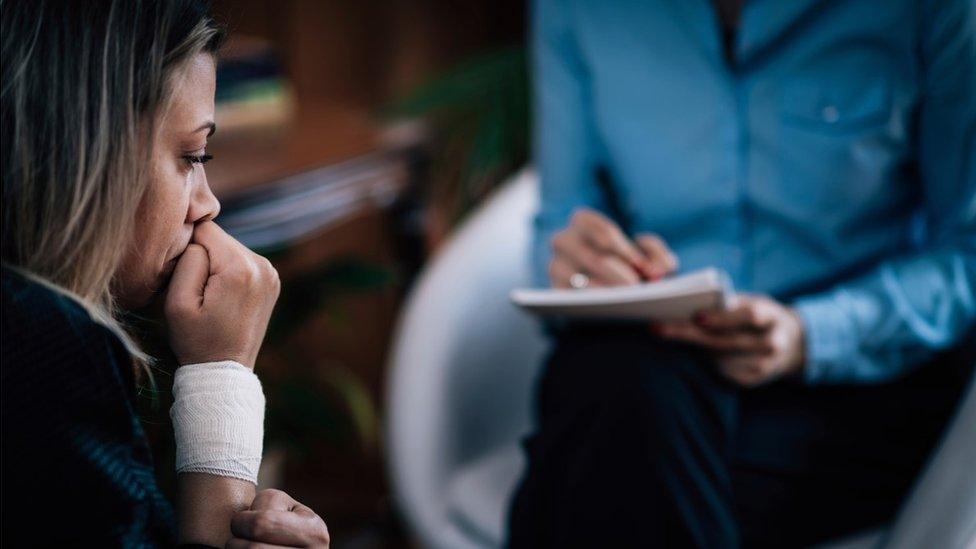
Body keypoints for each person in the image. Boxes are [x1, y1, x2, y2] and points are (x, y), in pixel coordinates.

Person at [508, 0, 975, 547]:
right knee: (631, 394)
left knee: (597, 468)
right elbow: (561, 219)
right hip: (648, 367)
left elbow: (966, 251)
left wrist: (807, 334)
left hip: (851, 384)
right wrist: (581, 268)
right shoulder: (578, 9)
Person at [1, 1, 330, 547]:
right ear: (85, 151)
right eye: (193, 156)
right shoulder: (43, 342)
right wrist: (221, 377)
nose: (208, 204)